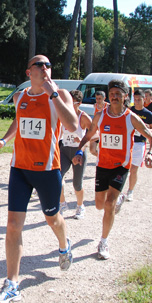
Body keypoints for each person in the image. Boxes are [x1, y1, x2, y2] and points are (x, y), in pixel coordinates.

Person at [0, 55, 78, 303]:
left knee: (53, 219)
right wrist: (4, 140)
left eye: (48, 65)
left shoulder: (61, 95)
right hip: (20, 169)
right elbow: (19, 120)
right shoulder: (20, 96)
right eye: (39, 65)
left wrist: (53, 94)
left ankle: (64, 244)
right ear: (29, 72)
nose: (45, 68)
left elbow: (71, 125)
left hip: (48, 170)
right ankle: (12, 284)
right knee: (13, 225)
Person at [73, 80, 152, 260]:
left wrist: (150, 154)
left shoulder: (130, 117)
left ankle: (103, 241)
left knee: (109, 205)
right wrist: (80, 150)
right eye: (112, 93)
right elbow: (88, 134)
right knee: (98, 205)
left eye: (118, 94)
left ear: (125, 96)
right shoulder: (100, 116)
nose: (115, 96)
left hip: (121, 166)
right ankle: (118, 199)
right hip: (103, 165)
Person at [58, 90, 93, 219]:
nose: (70, 106)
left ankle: (80, 206)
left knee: (77, 184)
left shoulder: (83, 117)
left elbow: (95, 133)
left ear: (79, 103)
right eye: (68, 103)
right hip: (65, 150)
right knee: (57, 178)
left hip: (78, 152)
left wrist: (83, 140)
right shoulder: (63, 115)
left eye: (73, 103)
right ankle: (62, 204)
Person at [124, 89, 152, 202]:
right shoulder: (129, 111)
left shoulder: (148, 114)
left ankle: (130, 191)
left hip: (139, 143)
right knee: (123, 167)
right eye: (135, 100)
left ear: (144, 99)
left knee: (133, 169)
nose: (137, 102)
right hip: (127, 142)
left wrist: (147, 128)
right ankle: (118, 190)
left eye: (139, 100)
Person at [89, 90, 108, 156]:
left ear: (104, 98)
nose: (98, 100)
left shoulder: (108, 106)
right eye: (96, 98)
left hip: (105, 131)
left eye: (100, 98)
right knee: (92, 150)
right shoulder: (95, 106)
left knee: (104, 149)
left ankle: (104, 159)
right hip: (96, 130)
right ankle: (101, 157)